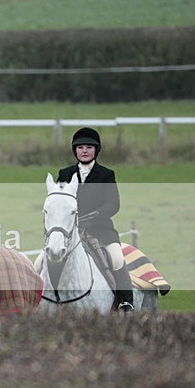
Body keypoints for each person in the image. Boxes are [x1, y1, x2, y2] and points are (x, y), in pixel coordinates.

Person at [57, 126, 135, 312]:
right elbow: (58, 202)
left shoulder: (106, 174)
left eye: (89, 147)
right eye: (80, 147)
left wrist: (93, 217)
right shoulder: (64, 174)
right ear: (75, 150)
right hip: (70, 232)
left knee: (116, 258)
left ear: (96, 150)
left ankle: (126, 301)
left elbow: (113, 204)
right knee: (42, 260)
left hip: (101, 231)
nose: (84, 151)